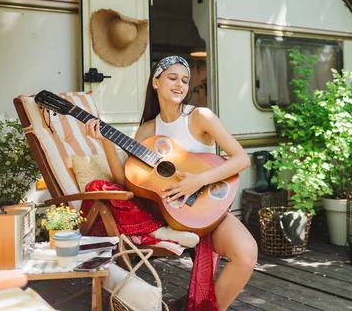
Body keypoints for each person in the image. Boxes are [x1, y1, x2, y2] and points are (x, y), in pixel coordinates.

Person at [85, 56, 257, 311]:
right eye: (172, 78)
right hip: (167, 215)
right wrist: (105, 142)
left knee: (246, 253)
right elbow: (124, 181)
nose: (180, 85)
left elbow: (241, 158)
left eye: (185, 80)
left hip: (205, 210)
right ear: (156, 82)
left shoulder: (200, 117)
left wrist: (197, 180)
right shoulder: (147, 130)